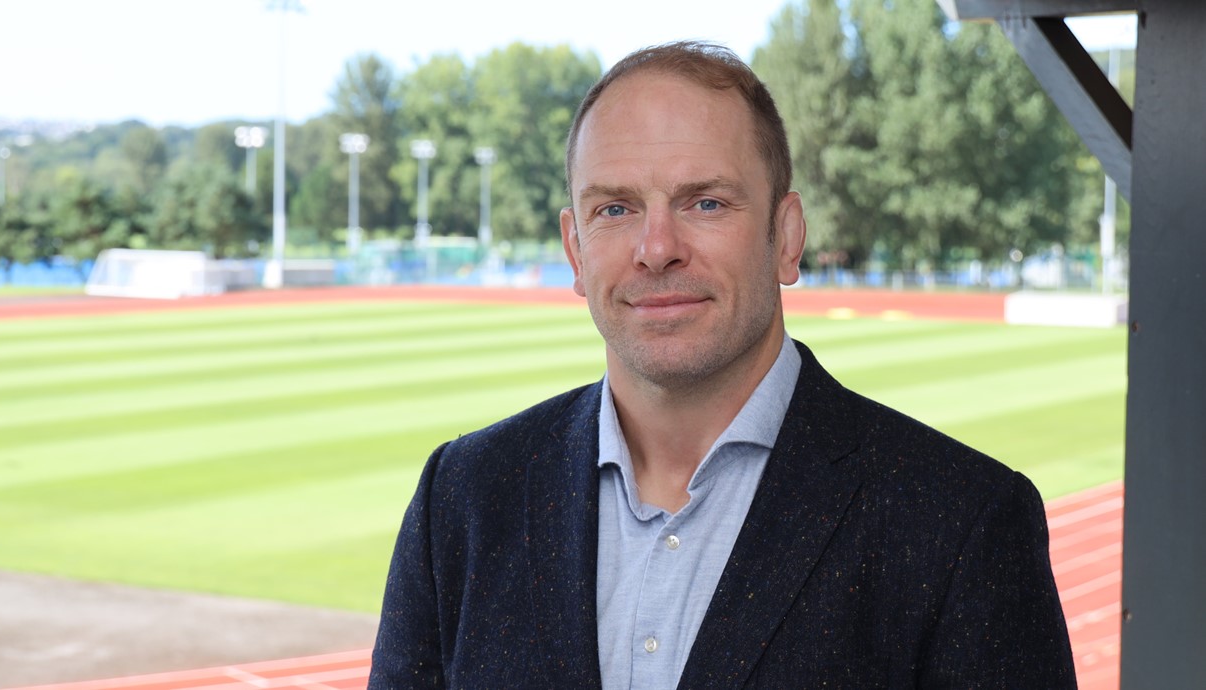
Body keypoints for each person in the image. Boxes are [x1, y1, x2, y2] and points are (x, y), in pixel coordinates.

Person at [369, 41, 1075, 688]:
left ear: (786, 237)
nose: (656, 247)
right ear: (576, 251)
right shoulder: (462, 499)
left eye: (704, 202)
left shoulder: (962, 522)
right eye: (614, 209)